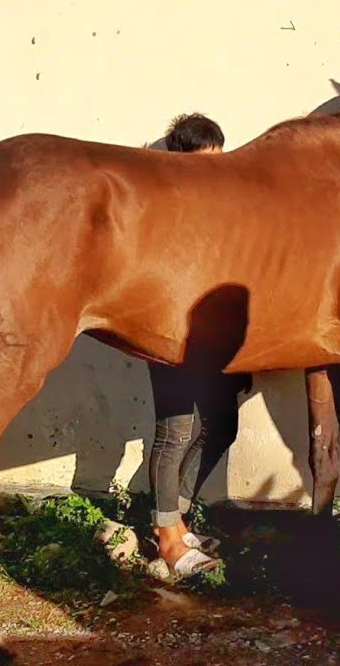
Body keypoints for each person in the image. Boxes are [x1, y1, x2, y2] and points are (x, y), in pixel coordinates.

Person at [144, 113, 247, 578]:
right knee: (175, 430)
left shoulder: (222, 207)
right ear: (180, 162)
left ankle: (178, 516)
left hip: (211, 338)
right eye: (206, 164)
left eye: (220, 163)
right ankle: (166, 536)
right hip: (166, 331)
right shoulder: (162, 206)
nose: (216, 175)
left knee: (222, 424)